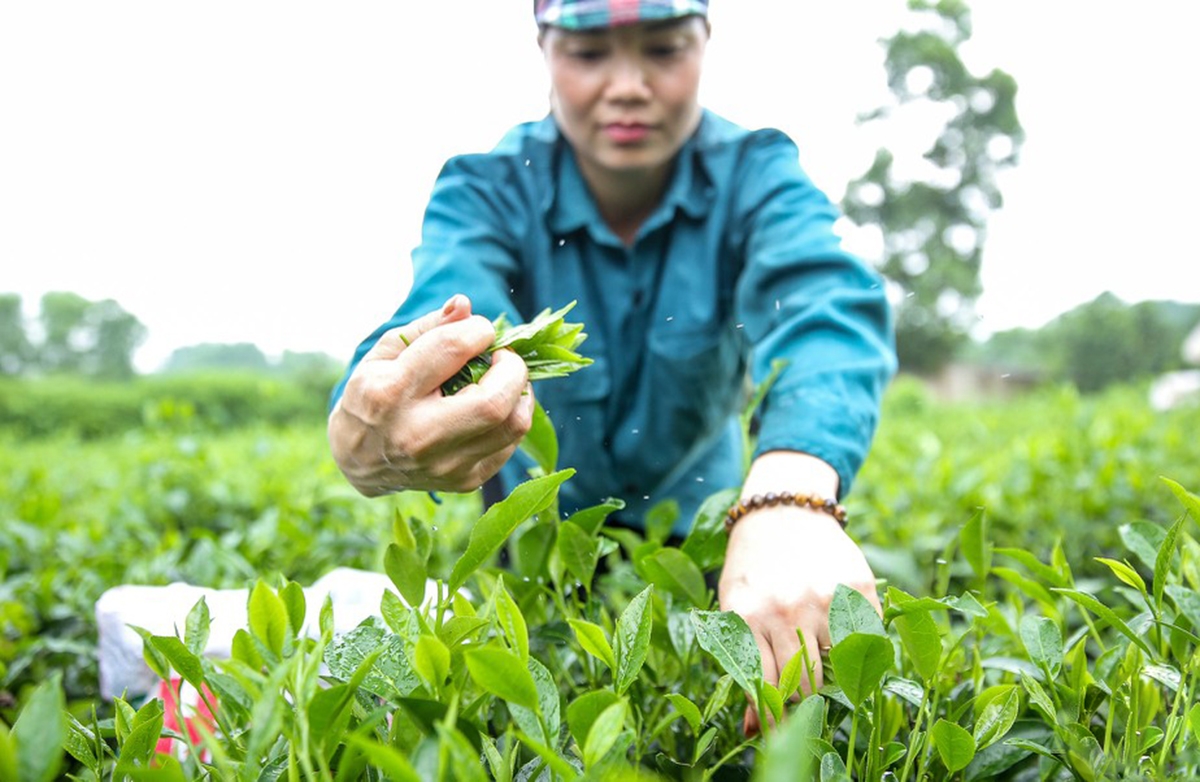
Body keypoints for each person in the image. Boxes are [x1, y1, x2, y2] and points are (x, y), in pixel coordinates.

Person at [328, 0, 896, 732]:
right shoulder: (491, 189)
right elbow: (445, 304)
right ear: (544, 49)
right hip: (538, 560)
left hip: (710, 552)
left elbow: (824, 309)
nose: (628, 85)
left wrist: (789, 499)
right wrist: (381, 408)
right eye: (590, 54)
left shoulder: (754, 176)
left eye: (662, 50)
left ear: (703, 44)